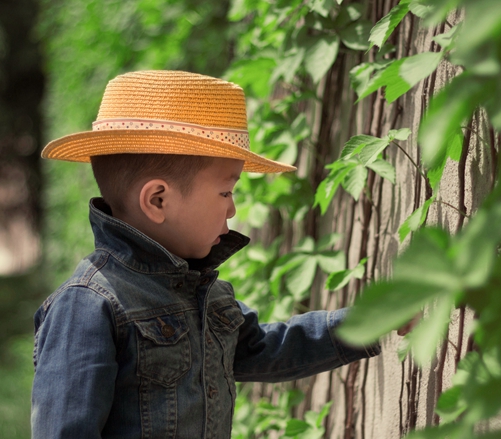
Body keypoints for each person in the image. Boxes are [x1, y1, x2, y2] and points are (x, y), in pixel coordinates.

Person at [32, 70, 381, 439]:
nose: (232, 210)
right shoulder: (87, 305)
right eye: (226, 193)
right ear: (158, 200)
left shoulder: (200, 290)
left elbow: (265, 347)